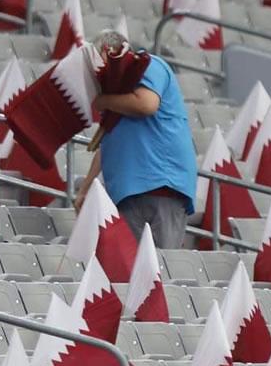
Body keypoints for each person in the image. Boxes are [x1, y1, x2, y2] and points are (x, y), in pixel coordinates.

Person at [75, 30, 197, 249]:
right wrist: (85, 189)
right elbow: (109, 142)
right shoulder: (117, 94)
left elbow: (146, 105)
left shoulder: (149, 65)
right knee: (130, 276)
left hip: (160, 185)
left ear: (110, 52)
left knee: (158, 272)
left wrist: (102, 100)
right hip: (127, 192)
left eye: (98, 64)